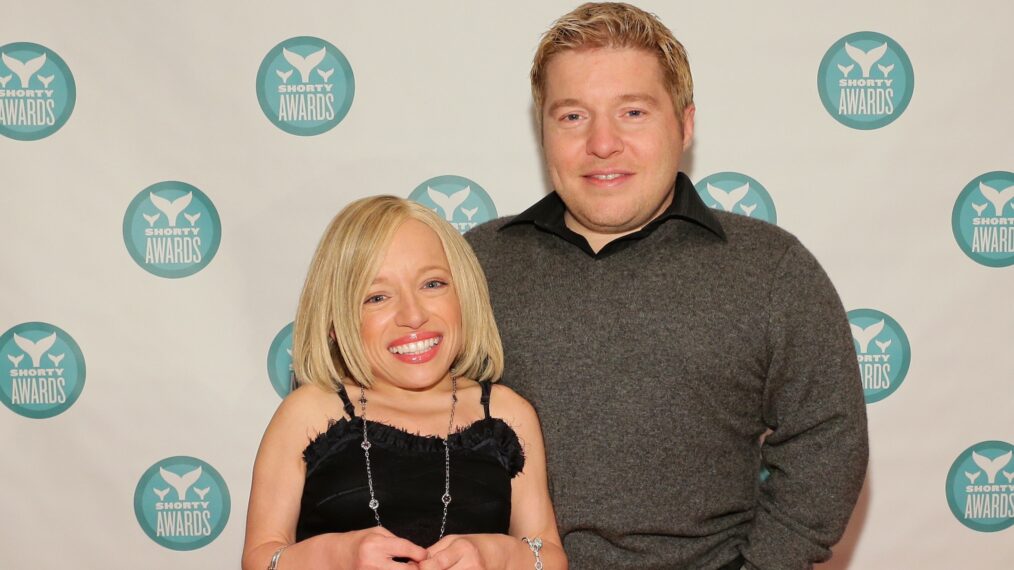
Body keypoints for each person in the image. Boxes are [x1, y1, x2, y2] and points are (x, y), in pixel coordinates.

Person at [465, 3, 868, 569]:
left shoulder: (770, 269)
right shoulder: (471, 266)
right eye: (573, 116)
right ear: (543, 132)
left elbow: (828, 439)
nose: (603, 143)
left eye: (632, 111)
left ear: (685, 124)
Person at [243, 196, 566, 570]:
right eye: (377, 296)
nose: (413, 316)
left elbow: (549, 554)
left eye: (432, 284)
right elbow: (261, 557)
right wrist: (338, 556)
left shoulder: (508, 414)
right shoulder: (308, 413)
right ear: (335, 321)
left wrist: (495, 555)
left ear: (465, 293)